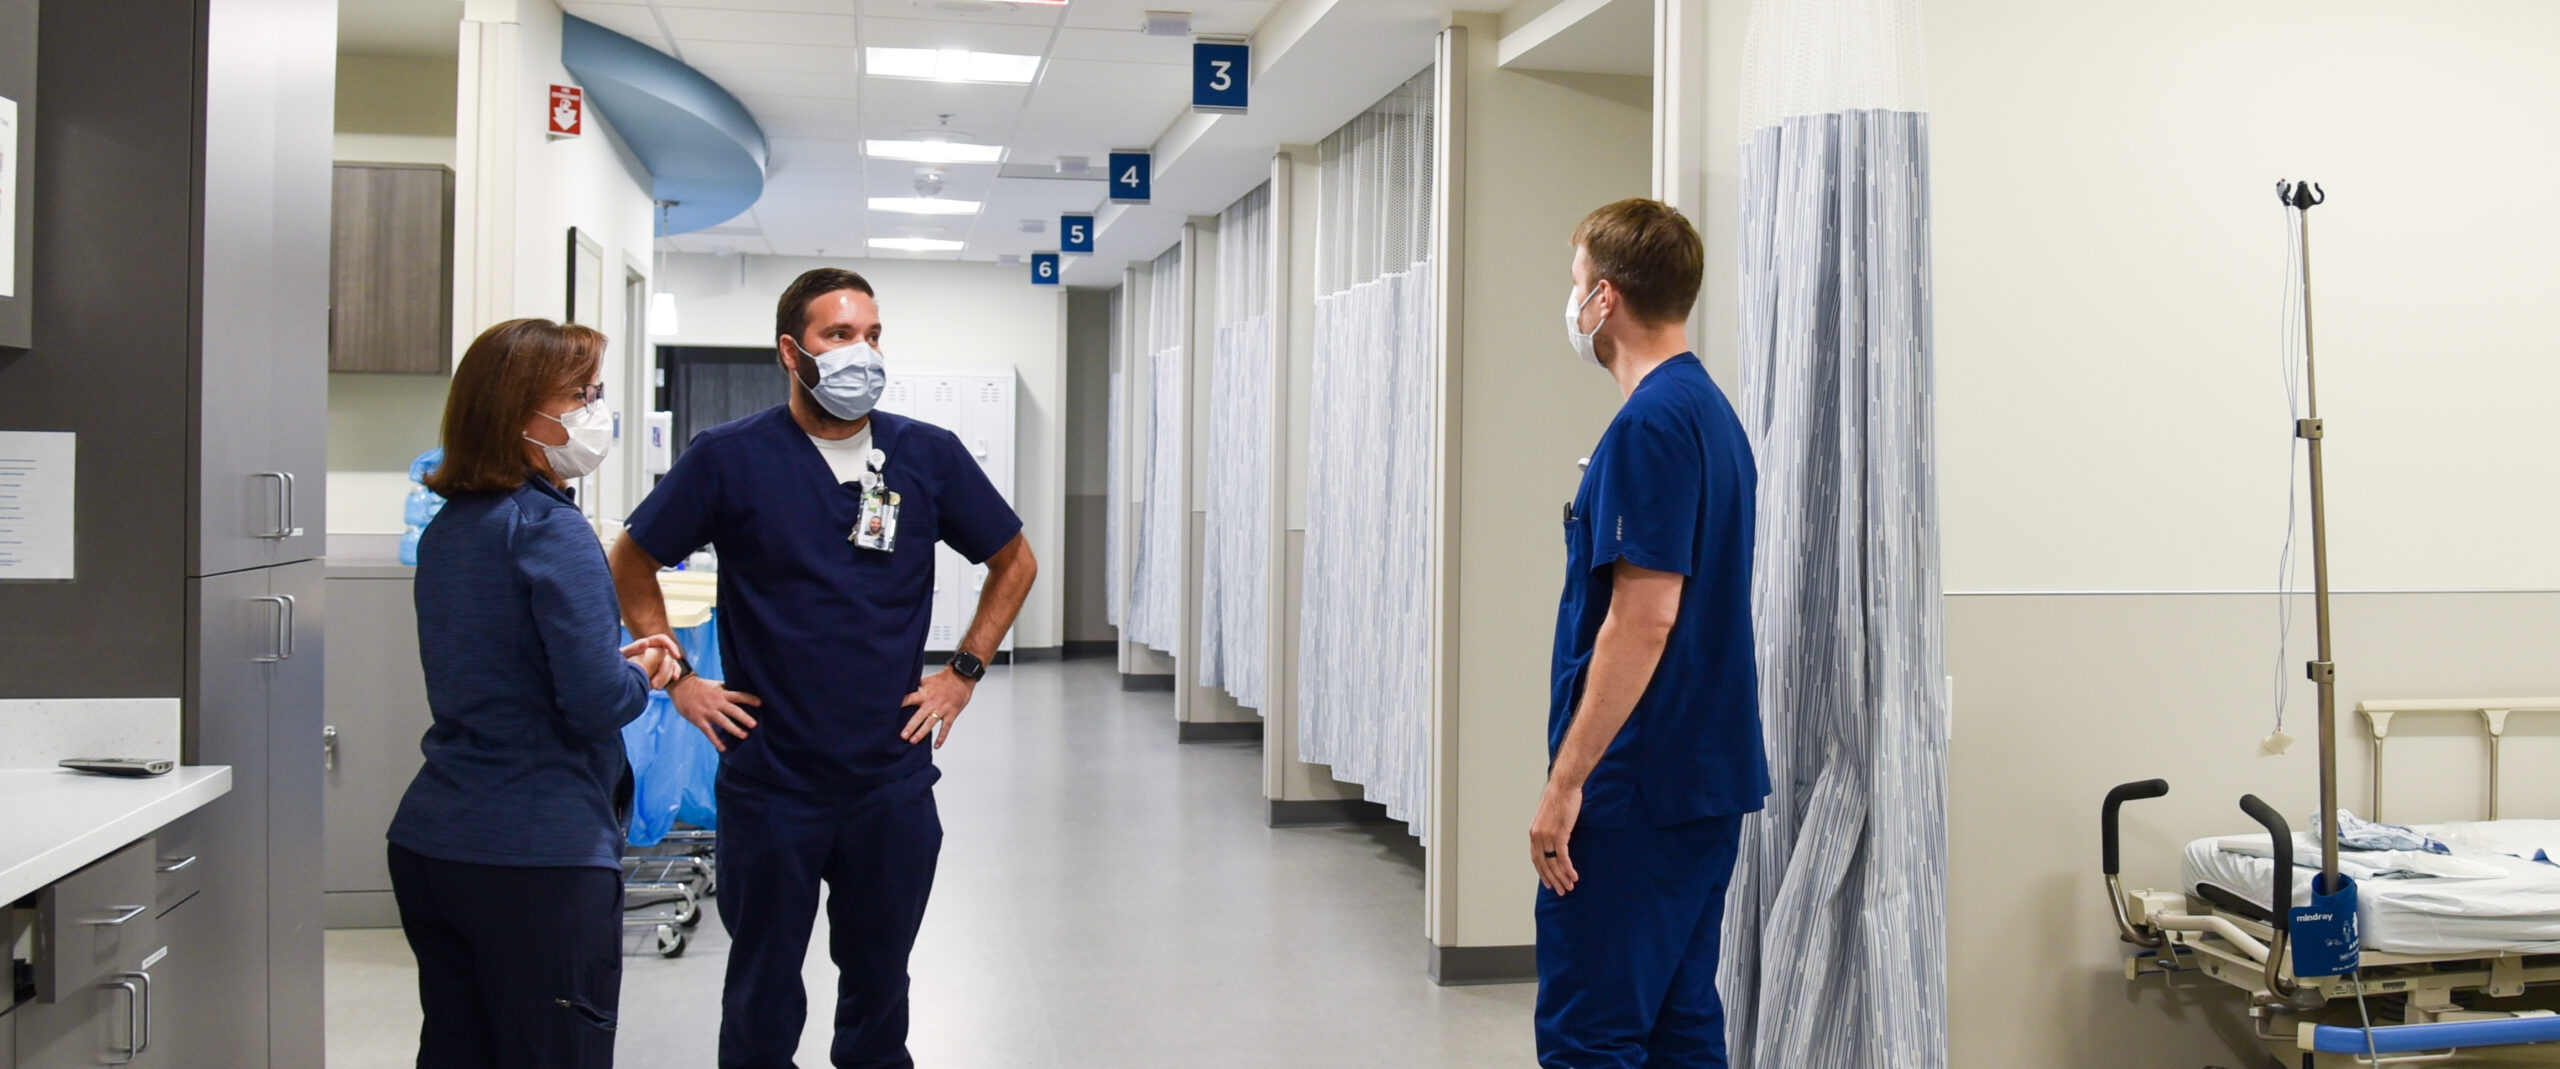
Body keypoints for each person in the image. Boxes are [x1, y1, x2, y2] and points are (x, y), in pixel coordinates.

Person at [607, 268, 1038, 1068]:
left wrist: (965, 669)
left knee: (880, 988)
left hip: (890, 783)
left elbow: (1014, 559)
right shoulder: (729, 459)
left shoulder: (928, 458)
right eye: (839, 335)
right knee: (763, 992)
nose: (861, 353)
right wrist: (678, 677)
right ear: (791, 351)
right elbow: (630, 559)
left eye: (872, 335)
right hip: (773, 783)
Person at [387, 318, 681, 1069]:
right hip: (534, 859)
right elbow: (593, 703)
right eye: (579, 395)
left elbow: (499, 666)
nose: (595, 413)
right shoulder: (551, 529)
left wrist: (600, 662)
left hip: (433, 844)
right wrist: (641, 672)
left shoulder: (453, 527)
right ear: (519, 412)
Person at [1529, 199, 1769, 1068]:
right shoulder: (1711, 414)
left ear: (1608, 299)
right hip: (1702, 782)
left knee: (1591, 1035)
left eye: (1577, 282)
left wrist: (1565, 784)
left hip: (1637, 792)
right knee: (1678, 1024)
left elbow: (1644, 618)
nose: (1574, 301)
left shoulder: (1650, 425)